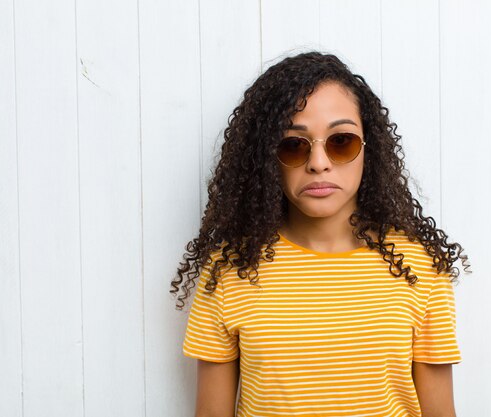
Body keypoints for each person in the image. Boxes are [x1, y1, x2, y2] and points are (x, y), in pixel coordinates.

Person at [170, 51, 471, 417]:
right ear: (267, 158)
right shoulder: (230, 269)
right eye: (293, 145)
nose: (318, 162)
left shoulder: (419, 266)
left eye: (341, 141)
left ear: (368, 150)